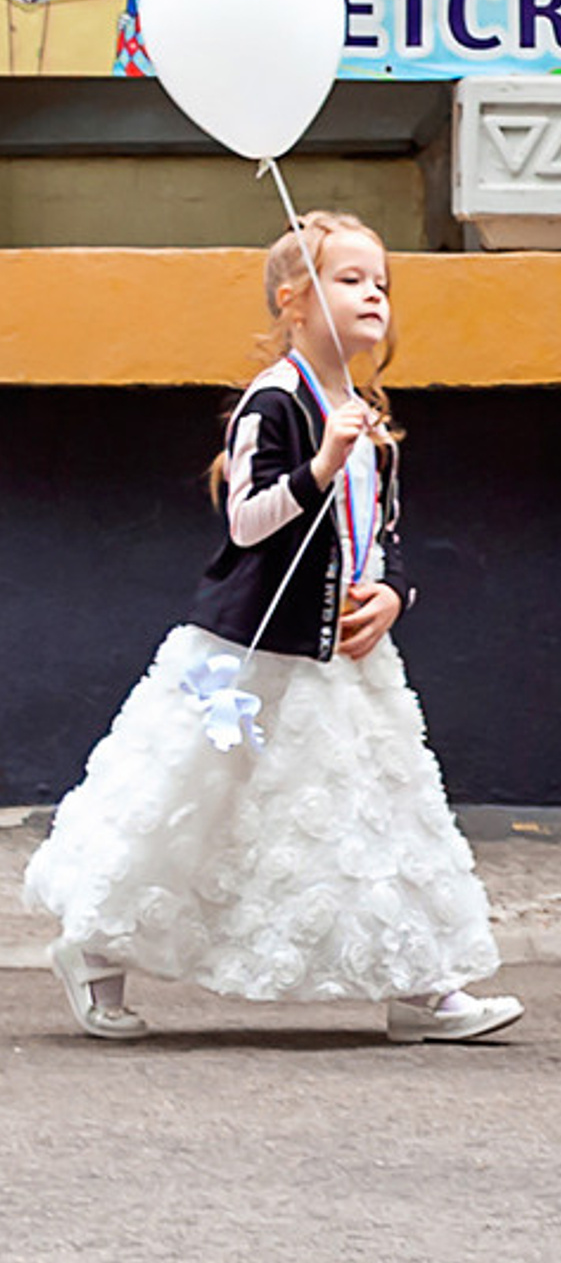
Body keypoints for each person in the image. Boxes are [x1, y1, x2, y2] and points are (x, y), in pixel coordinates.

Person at [29, 214, 522, 1045]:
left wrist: (394, 593)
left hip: (347, 657)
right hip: (250, 657)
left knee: (381, 809)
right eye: (351, 279)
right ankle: (92, 946)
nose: (374, 293)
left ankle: (421, 980)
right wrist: (321, 464)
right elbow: (248, 521)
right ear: (295, 303)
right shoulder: (278, 403)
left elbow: (385, 535)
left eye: (382, 282)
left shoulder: (365, 413)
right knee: (189, 802)